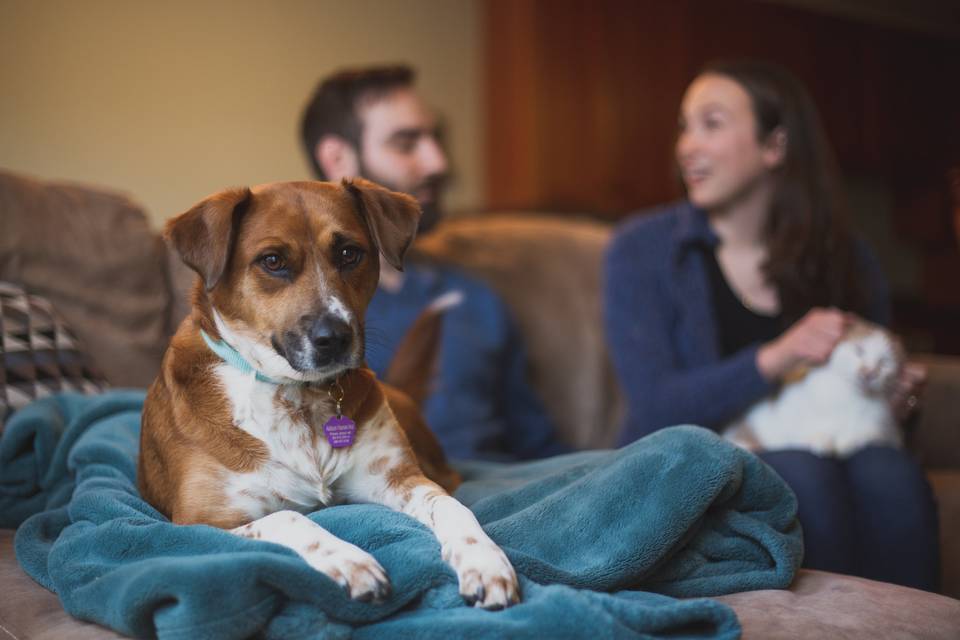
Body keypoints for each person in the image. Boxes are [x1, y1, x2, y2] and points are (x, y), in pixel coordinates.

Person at [603, 59, 939, 591]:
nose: (687, 145)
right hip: (695, 463)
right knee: (802, 476)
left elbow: (870, 409)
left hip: (829, 450)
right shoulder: (642, 250)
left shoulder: (847, 257)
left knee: (889, 473)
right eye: (684, 127)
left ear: (775, 146)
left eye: (711, 124)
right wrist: (777, 356)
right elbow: (653, 404)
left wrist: (897, 400)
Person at [300, 65, 569, 461]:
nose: (437, 162)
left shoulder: (475, 297)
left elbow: (539, 448)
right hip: (395, 497)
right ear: (338, 158)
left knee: (675, 453)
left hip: (509, 490)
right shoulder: (302, 315)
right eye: (406, 143)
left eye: (435, 138)